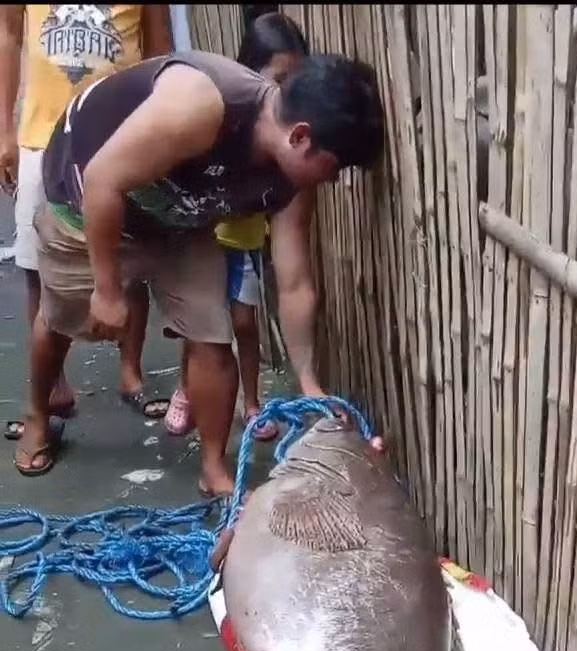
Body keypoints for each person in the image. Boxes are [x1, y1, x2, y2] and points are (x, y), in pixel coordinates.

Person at [14, 48, 386, 498]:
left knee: (212, 336)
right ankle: (39, 414)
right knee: (59, 320)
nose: (334, 180)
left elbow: (294, 281)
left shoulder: (293, 178)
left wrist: (309, 383)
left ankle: (213, 466)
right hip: (89, 197)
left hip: (182, 216)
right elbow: (102, 180)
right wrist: (108, 288)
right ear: (301, 137)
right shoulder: (198, 105)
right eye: (337, 166)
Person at [0, 5, 174, 438]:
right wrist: (4, 127)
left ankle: (130, 370)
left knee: (129, 261)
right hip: (42, 136)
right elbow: (8, 35)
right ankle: (53, 382)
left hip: (122, 137)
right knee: (36, 265)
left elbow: (159, 53)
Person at [164, 11, 309, 443]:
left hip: (244, 243)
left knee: (245, 324)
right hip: (205, 240)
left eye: (295, 82)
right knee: (201, 327)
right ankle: (186, 389)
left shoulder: (291, 141)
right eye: (279, 78)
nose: (286, 93)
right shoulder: (219, 115)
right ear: (250, 71)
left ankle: (251, 402)